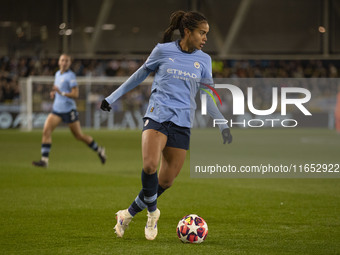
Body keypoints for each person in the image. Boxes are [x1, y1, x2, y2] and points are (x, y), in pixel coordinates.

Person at [100, 10, 232, 240]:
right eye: (202, 33)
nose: (205, 38)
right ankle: (153, 213)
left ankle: (127, 214)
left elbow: (208, 96)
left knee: (166, 181)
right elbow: (139, 76)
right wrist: (111, 98)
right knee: (150, 165)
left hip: (182, 124)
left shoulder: (204, 60)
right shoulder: (163, 50)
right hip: (158, 116)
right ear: (188, 31)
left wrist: (222, 124)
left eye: (206, 34)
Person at [32, 54, 106, 167]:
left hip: (68, 110)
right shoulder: (57, 74)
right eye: (62, 60)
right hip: (57, 110)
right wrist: (54, 93)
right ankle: (44, 160)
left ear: (69, 63)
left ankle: (99, 150)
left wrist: (61, 93)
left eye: (66, 61)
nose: (64, 62)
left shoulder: (70, 76)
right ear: (59, 62)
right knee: (46, 131)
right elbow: (57, 88)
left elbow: (75, 94)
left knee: (79, 136)